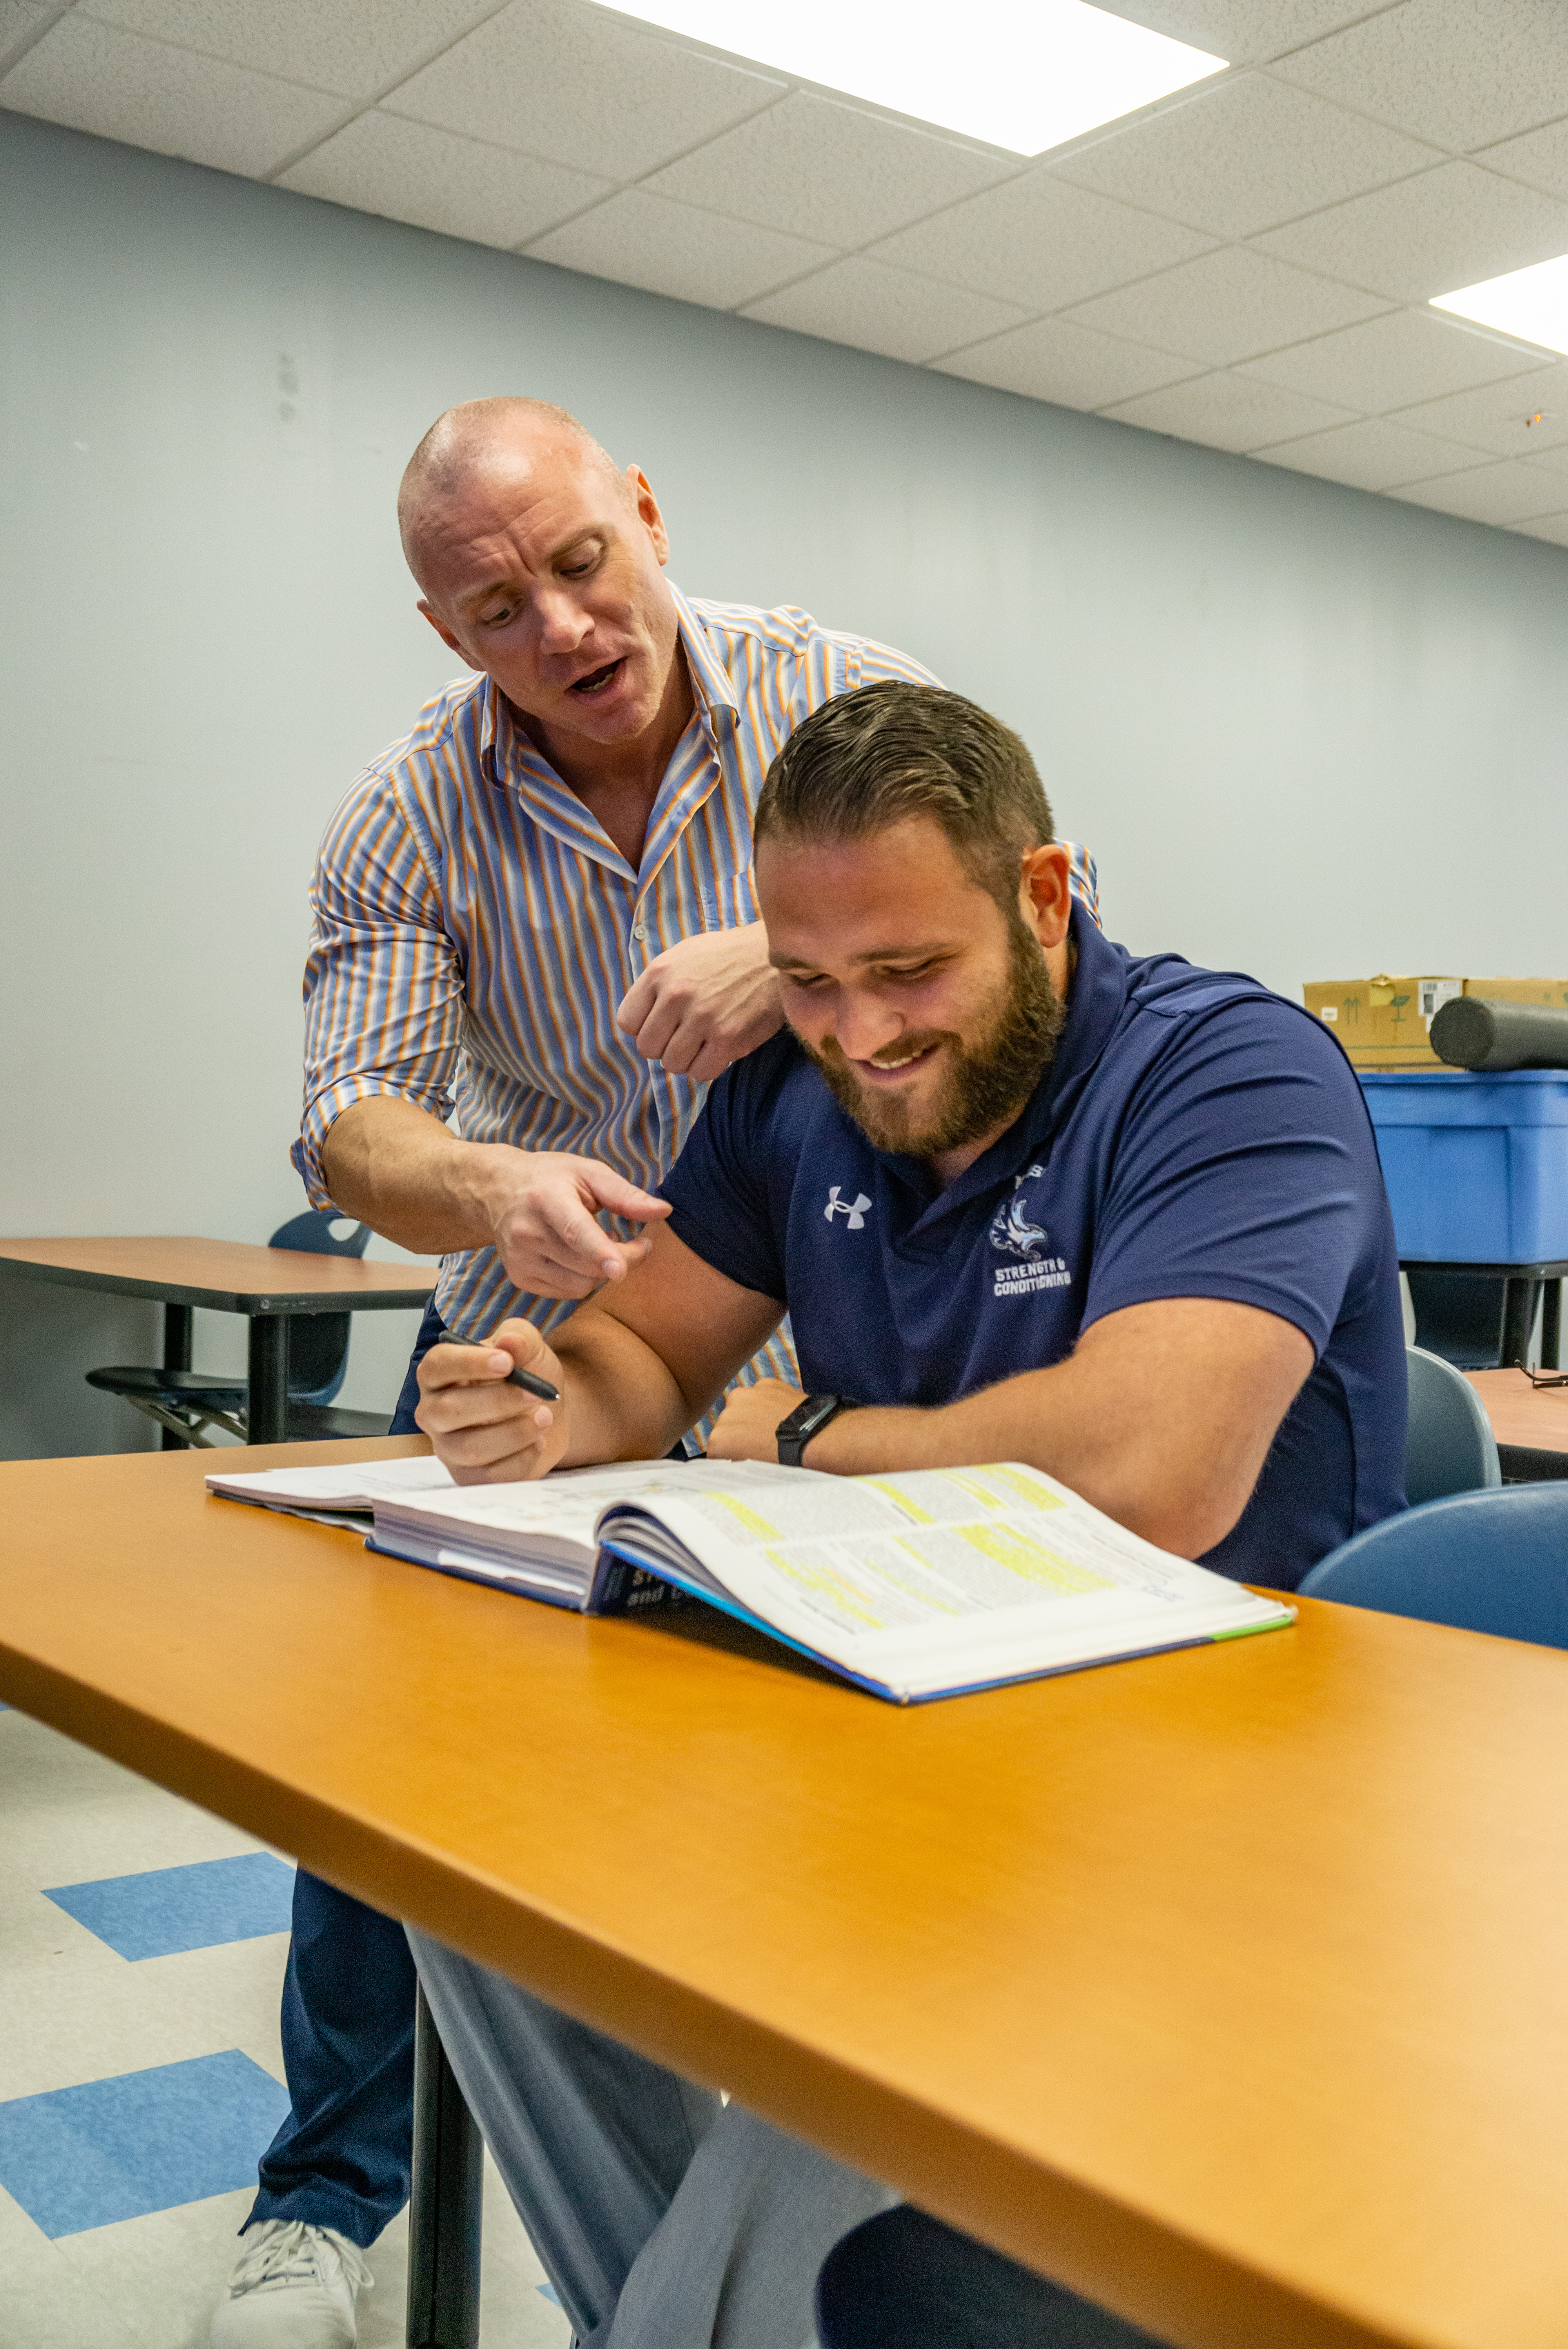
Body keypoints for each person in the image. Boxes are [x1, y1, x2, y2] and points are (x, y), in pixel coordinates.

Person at [212, 396, 1100, 2346]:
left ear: (645, 512)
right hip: (546, 1335)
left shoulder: (842, 696)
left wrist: (762, 952)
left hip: (821, 1332)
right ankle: (324, 2200)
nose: (558, 625)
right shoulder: (406, 812)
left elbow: (1000, 947)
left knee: (855, 1759)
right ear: (448, 635)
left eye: (579, 563)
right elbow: (347, 1128)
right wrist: (486, 1180)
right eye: (494, 605)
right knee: (400, 1776)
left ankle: (825, 2161)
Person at [406, 681, 1406, 2348]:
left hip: (1212, 1783)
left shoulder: (1230, 1072)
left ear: (1043, 894)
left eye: (906, 973)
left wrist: (805, 1433)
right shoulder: (792, 1095)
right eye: (804, 982)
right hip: (892, 1723)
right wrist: (535, 1400)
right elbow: (644, 1353)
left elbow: (1148, 1476)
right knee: (477, 1876)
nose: (858, 1035)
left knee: (845, 2066)